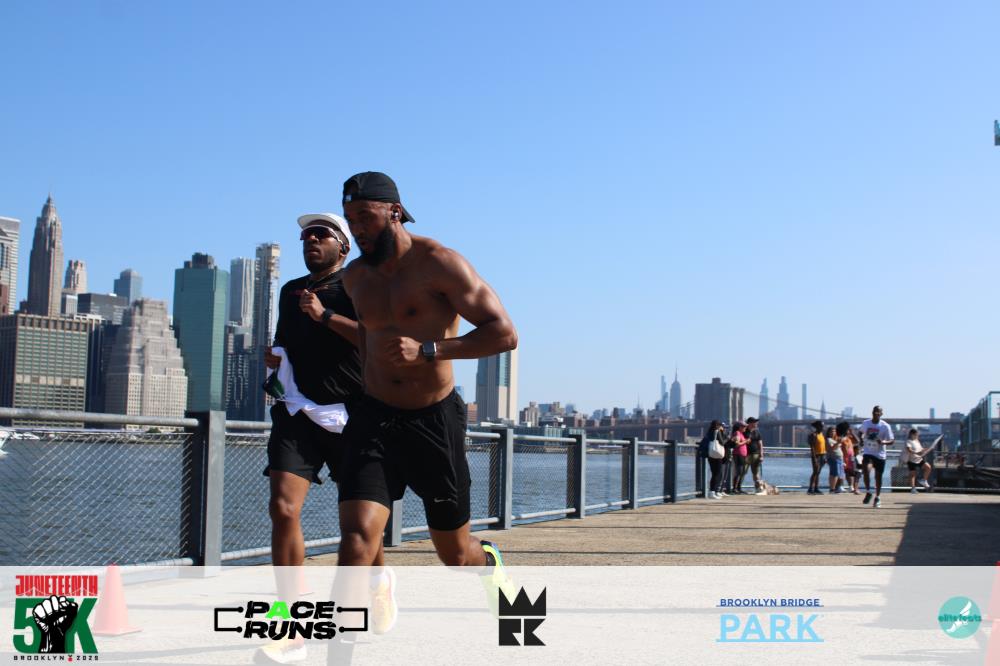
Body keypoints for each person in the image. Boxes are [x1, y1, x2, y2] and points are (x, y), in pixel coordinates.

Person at [336, 171, 518, 584]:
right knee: (357, 538)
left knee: (455, 555)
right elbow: (366, 332)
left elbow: (505, 334)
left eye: (365, 216)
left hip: (433, 420)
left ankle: (489, 561)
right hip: (374, 419)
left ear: (394, 212)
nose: (357, 228)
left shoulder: (439, 263)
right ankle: (351, 622)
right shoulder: (355, 277)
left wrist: (427, 350)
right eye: (351, 219)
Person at [260, 213, 393, 663]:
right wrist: (276, 359)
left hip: (354, 416)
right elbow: (287, 343)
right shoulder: (289, 291)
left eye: (321, 235)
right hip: (298, 412)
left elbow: (380, 341)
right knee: (282, 508)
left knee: (359, 527)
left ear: (344, 246)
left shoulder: (361, 287)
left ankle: (377, 582)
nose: (311, 240)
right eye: (305, 236)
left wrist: (325, 316)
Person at [858, 405, 895, 508]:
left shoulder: (885, 426)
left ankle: (877, 497)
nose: (876, 413)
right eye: (875, 411)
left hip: (880, 455)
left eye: (878, 412)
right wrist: (861, 439)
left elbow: (892, 440)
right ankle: (868, 491)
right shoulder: (866, 423)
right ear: (872, 412)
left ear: (881, 414)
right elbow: (860, 432)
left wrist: (882, 442)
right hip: (868, 452)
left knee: (878, 477)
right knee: (866, 470)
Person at [701, 420, 725, 499]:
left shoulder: (709, 432)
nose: (721, 427)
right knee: (718, 473)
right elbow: (722, 442)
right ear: (718, 426)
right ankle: (713, 492)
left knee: (714, 473)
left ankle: (714, 491)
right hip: (717, 455)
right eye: (720, 425)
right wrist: (728, 438)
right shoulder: (717, 431)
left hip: (711, 454)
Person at [836, 421, 859, 494]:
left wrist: (852, 433)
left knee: (850, 472)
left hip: (851, 458)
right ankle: (839, 486)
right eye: (848, 429)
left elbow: (857, 441)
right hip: (843, 458)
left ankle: (851, 486)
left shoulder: (849, 438)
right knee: (842, 472)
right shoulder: (840, 438)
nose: (849, 430)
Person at [729, 421, 749, 494]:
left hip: (742, 455)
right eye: (744, 426)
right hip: (738, 454)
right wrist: (745, 441)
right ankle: (735, 488)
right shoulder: (737, 433)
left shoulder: (741, 434)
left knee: (742, 472)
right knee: (739, 471)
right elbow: (737, 444)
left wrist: (745, 441)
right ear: (739, 427)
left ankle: (738, 488)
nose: (745, 428)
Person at [806, 420, 826, 494]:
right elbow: (812, 447)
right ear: (817, 427)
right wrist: (814, 458)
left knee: (818, 472)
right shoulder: (813, 435)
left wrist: (825, 457)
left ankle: (816, 488)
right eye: (821, 426)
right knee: (815, 472)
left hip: (822, 455)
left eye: (823, 426)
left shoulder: (822, 434)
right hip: (816, 455)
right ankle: (810, 489)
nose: (823, 427)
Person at [745, 417, 764, 492]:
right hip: (746, 455)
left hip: (756, 454)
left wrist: (761, 455)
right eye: (755, 422)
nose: (756, 423)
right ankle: (737, 488)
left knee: (756, 473)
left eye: (756, 422)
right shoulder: (744, 431)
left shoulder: (757, 432)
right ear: (750, 423)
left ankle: (758, 488)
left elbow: (760, 444)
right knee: (742, 472)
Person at [825, 425, 845, 493]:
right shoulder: (828, 440)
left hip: (839, 459)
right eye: (831, 431)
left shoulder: (834, 439)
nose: (833, 433)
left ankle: (836, 488)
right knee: (834, 474)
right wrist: (838, 443)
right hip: (833, 458)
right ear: (828, 432)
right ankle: (832, 489)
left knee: (838, 474)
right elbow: (831, 449)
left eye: (834, 431)